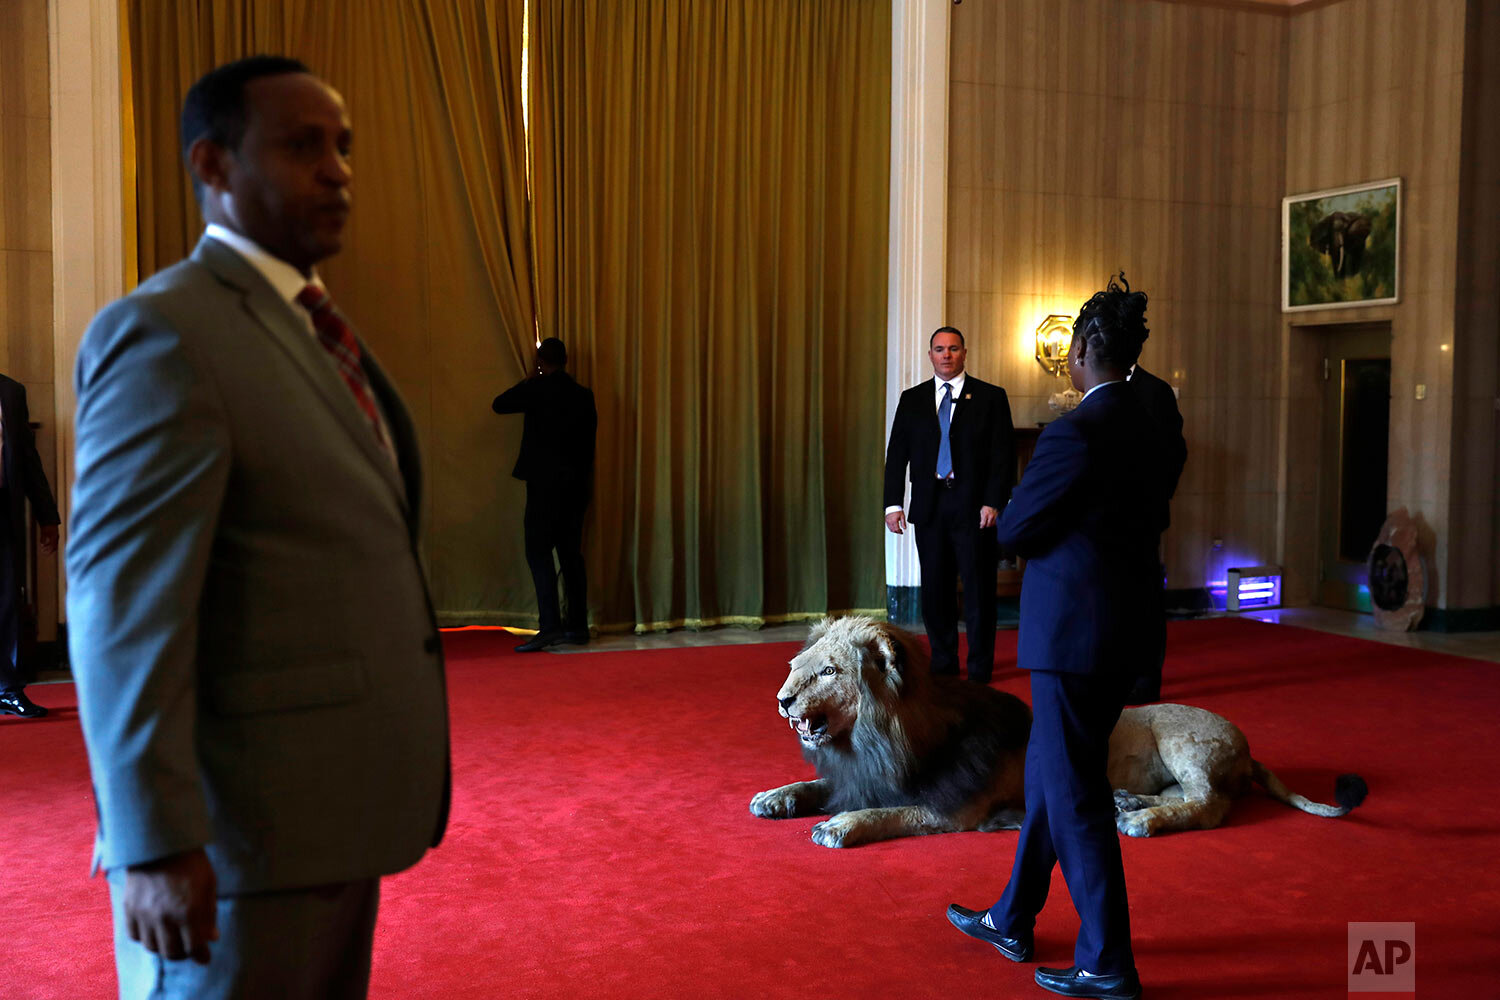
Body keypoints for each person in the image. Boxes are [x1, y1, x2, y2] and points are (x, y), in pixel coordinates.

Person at [67, 56, 449, 999]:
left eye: (344, 147)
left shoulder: (310, 326)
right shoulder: (168, 334)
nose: (338, 170)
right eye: (301, 145)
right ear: (213, 165)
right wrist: (151, 842)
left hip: (326, 819)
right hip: (232, 843)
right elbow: (120, 606)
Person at [946, 274, 1164, 1000]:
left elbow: (1014, 529)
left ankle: (1107, 962)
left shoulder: (1077, 430)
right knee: (1048, 776)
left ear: (1077, 352)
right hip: (1122, 628)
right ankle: (1013, 915)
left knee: (1075, 796)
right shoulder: (1151, 417)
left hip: (1073, 636)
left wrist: (1019, 508)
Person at [883, 326, 1015, 683]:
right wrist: (892, 504)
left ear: (964, 353)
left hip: (974, 509)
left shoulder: (990, 397)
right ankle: (943, 664)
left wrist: (994, 502)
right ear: (930, 356)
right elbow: (897, 456)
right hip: (929, 507)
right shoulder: (912, 399)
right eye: (939, 349)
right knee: (936, 591)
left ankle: (979, 667)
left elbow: (1004, 456)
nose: (946, 355)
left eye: (953, 349)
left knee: (978, 590)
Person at [492, 338, 597, 652]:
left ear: (541, 362)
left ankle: (549, 625)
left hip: (543, 488)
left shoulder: (535, 389)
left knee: (538, 553)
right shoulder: (583, 395)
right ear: (566, 361)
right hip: (576, 488)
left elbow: (499, 404)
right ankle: (577, 627)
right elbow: (588, 444)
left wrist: (529, 379)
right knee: (571, 556)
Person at [1124, 359, 1186, 704]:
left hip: (1140, 515)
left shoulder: (1154, 390)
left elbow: (1174, 452)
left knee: (1143, 601)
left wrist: (1153, 497)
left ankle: (1146, 681)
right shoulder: (1096, 383)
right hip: (1100, 519)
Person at [0, 374, 60, 719]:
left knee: (6, 601)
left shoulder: (11, 391)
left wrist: (47, 515)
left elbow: (27, 456)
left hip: (2, 508)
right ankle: (6, 687)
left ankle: (7, 689)